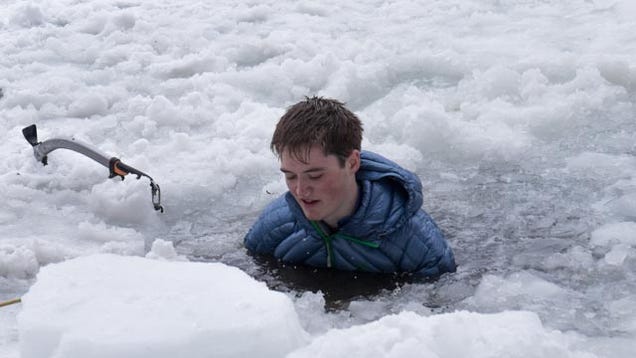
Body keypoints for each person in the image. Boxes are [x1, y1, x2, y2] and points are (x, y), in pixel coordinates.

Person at [244, 97, 456, 277]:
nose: (300, 190)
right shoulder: (274, 226)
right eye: (290, 176)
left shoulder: (417, 243)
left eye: (315, 176)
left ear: (352, 163)